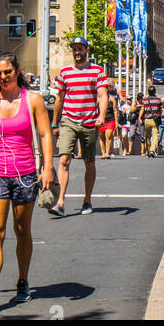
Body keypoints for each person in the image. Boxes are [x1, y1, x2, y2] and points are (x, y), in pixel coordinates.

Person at [0, 53, 53, 315]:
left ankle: (23, 281)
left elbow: (45, 134)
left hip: (25, 174)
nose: (2, 77)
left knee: (21, 229)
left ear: (17, 71)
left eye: (7, 72)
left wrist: (47, 168)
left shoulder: (33, 100)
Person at [51, 37, 109, 215]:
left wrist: (101, 115)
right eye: (75, 49)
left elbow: (103, 94)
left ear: (86, 50)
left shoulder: (97, 71)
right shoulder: (65, 73)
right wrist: (55, 123)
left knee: (89, 162)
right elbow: (59, 99)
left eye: (80, 49)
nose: (77, 52)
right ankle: (60, 202)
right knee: (64, 160)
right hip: (69, 120)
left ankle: (87, 200)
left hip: (89, 121)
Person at [139, 83, 163, 157]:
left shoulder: (145, 101)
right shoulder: (158, 100)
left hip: (147, 120)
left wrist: (140, 118)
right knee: (155, 135)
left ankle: (148, 150)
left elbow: (142, 109)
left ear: (148, 92)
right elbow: (161, 110)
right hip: (155, 120)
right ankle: (153, 150)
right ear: (155, 92)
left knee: (147, 136)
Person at [98, 81, 119, 159]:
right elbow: (95, 110)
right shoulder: (99, 100)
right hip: (101, 120)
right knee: (102, 137)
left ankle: (107, 153)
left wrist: (116, 121)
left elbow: (115, 110)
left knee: (109, 135)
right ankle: (103, 153)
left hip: (110, 119)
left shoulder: (112, 99)